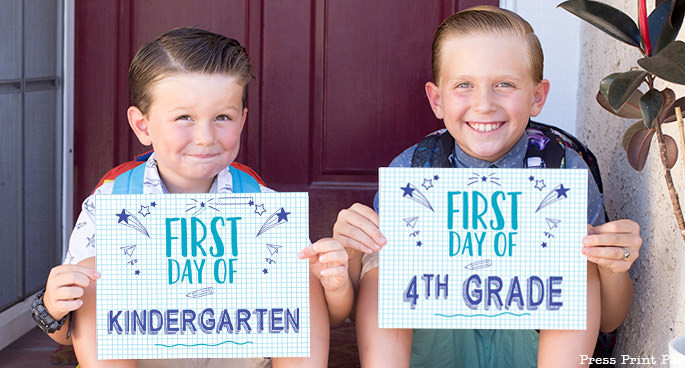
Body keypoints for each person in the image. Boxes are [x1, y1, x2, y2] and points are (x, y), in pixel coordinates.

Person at [332, 6, 641, 367]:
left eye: (504, 84)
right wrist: (352, 254)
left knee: (578, 261)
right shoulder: (414, 170)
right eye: (464, 85)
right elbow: (364, 300)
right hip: (438, 345)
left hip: (532, 346)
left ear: (537, 97)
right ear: (437, 99)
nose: (483, 104)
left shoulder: (564, 168)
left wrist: (613, 267)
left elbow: (609, 319)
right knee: (383, 266)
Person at [36, 28, 352, 368]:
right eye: (184, 117)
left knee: (300, 274)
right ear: (143, 126)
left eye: (222, 118)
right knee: (92, 275)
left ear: (242, 121)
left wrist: (334, 286)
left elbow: (329, 317)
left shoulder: (260, 202)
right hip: (147, 353)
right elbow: (67, 328)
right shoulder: (113, 199)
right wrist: (52, 307)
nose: (204, 137)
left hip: (235, 350)